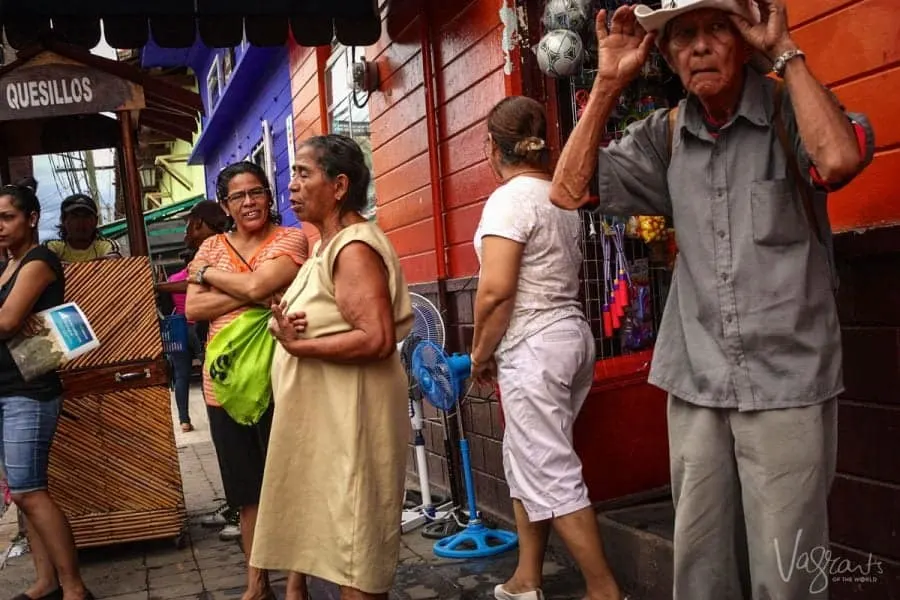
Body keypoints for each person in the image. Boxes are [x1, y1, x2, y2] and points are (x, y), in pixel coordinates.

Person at [550, 1, 874, 598]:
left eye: (715, 29)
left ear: (744, 41)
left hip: (787, 384)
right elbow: (569, 192)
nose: (699, 47)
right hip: (697, 381)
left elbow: (839, 159)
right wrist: (605, 84)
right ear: (668, 57)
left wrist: (787, 55)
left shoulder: (789, 110)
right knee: (701, 572)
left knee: (788, 579)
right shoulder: (666, 135)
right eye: (684, 36)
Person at [469, 98, 623, 600]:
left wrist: (478, 353)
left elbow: (495, 292)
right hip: (570, 337)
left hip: (532, 346)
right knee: (527, 458)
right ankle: (526, 579)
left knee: (548, 467)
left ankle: (603, 590)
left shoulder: (508, 201)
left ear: (493, 147)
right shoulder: (559, 196)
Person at [251, 135, 413, 600]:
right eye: (293, 175)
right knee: (340, 543)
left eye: (304, 174)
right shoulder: (326, 245)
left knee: (356, 550)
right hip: (333, 423)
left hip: (354, 422)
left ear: (339, 185)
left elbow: (377, 337)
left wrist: (301, 350)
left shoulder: (354, 247)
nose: (291, 186)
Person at [185, 162, 308, 600]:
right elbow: (193, 311)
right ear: (226, 205)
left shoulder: (291, 238)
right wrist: (252, 287)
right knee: (246, 491)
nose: (250, 202)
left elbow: (260, 287)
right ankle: (257, 584)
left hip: (281, 379)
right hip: (224, 387)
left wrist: (208, 275)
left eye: (256, 192)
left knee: (289, 485)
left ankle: (296, 584)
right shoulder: (213, 244)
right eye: (238, 197)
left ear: (269, 197)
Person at [0, 178, 93, 600]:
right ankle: (45, 583)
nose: (0, 226)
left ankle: (74, 588)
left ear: (32, 218)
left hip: (29, 391)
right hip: (7, 389)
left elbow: (7, 321)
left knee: (28, 490)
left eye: (7, 217)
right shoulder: (7, 265)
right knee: (27, 492)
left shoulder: (38, 261)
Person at [156, 201, 230, 433]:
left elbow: (191, 286)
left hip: (204, 329)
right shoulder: (218, 247)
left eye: (188, 225)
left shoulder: (215, 249)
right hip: (200, 329)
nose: (185, 231)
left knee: (186, 375)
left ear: (198, 224)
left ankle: (188, 419)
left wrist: (157, 287)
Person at [43, 194, 121, 263]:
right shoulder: (51, 246)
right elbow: (45, 265)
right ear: (63, 220)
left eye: (87, 217)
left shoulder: (107, 245)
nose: (81, 222)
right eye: (74, 217)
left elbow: (113, 262)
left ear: (96, 221)